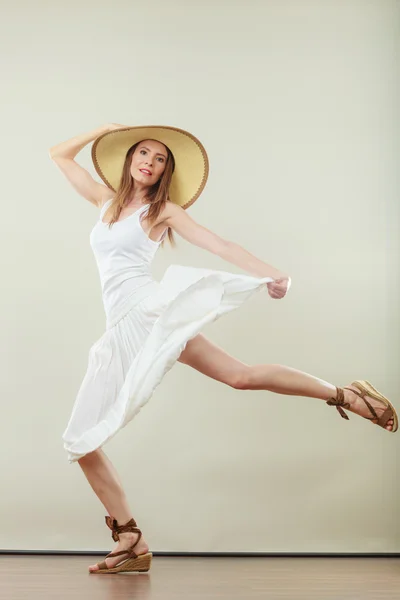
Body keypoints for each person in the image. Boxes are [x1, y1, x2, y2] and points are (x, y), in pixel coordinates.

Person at [49, 123, 398, 575]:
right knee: (82, 440)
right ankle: (130, 539)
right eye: (143, 153)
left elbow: (219, 244)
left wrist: (274, 274)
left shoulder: (163, 211)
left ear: (164, 173)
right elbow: (58, 154)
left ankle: (348, 395)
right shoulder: (104, 201)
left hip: (150, 312)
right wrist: (109, 129)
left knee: (240, 376)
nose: (149, 163)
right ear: (129, 158)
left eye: (159, 160)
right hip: (121, 328)